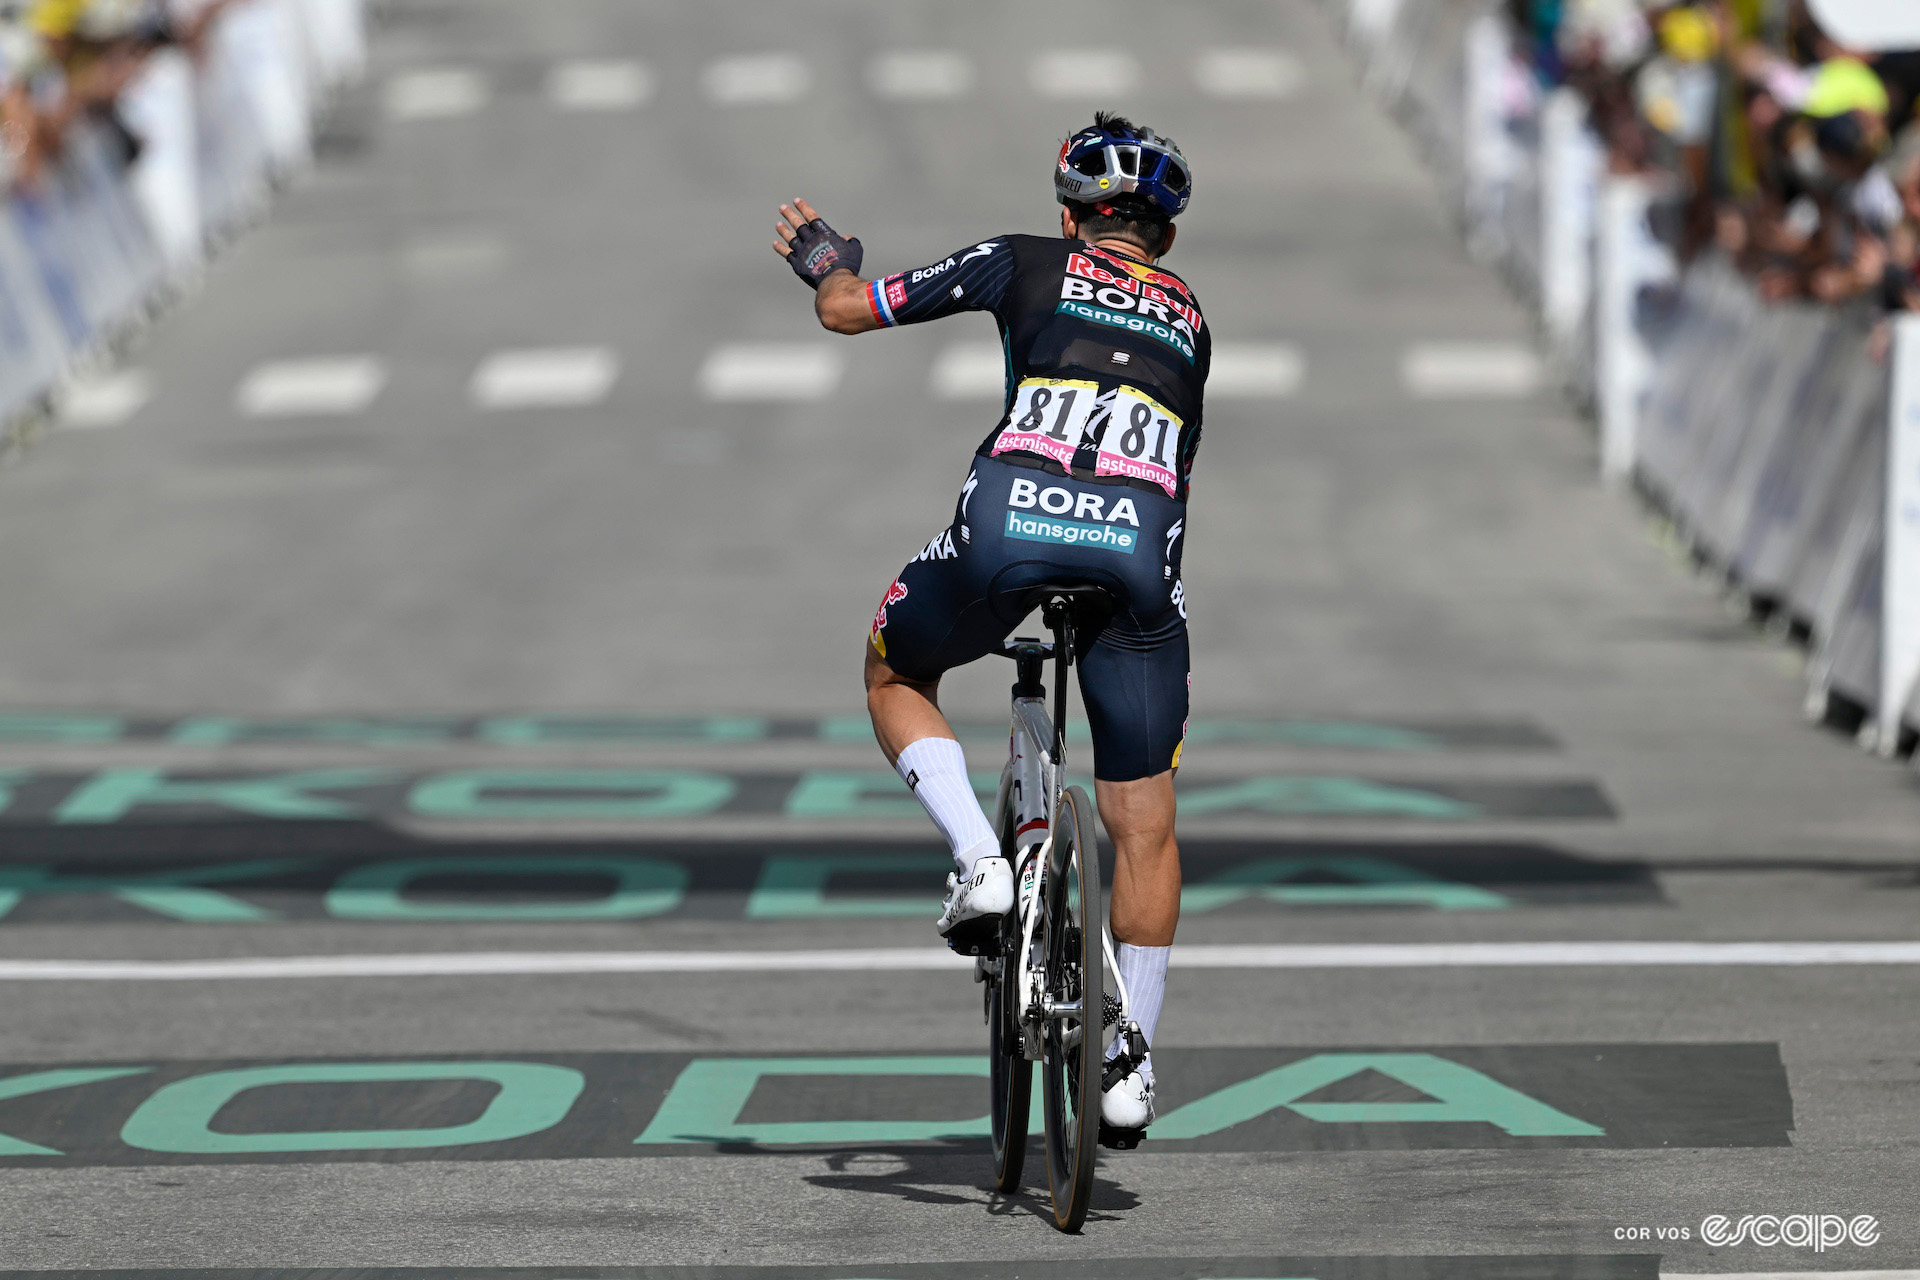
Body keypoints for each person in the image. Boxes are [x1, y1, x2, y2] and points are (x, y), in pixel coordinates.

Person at [772, 112, 1209, 1141]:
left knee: (892, 670)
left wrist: (828, 263)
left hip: (1009, 525)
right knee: (1143, 821)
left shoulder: (1024, 260)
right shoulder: (1191, 314)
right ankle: (1128, 1063)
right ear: (1168, 241)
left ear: (1070, 218)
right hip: (1138, 557)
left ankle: (979, 853)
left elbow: (846, 312)